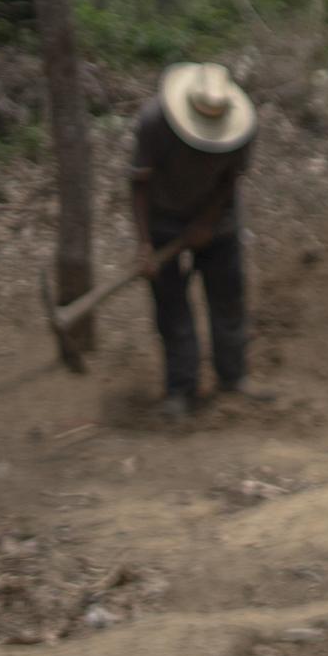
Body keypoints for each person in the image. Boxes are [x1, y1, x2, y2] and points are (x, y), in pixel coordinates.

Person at [130, 63, 263, 421]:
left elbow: (231, 178)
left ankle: (233, 377)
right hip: (163, 220)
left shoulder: (242, 128)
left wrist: (207, 221)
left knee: (228, 299)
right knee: (172, 309)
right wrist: (144, 245)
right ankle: (181, 389)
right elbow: (139, 183)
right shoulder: (154, 122)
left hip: (218, 219)